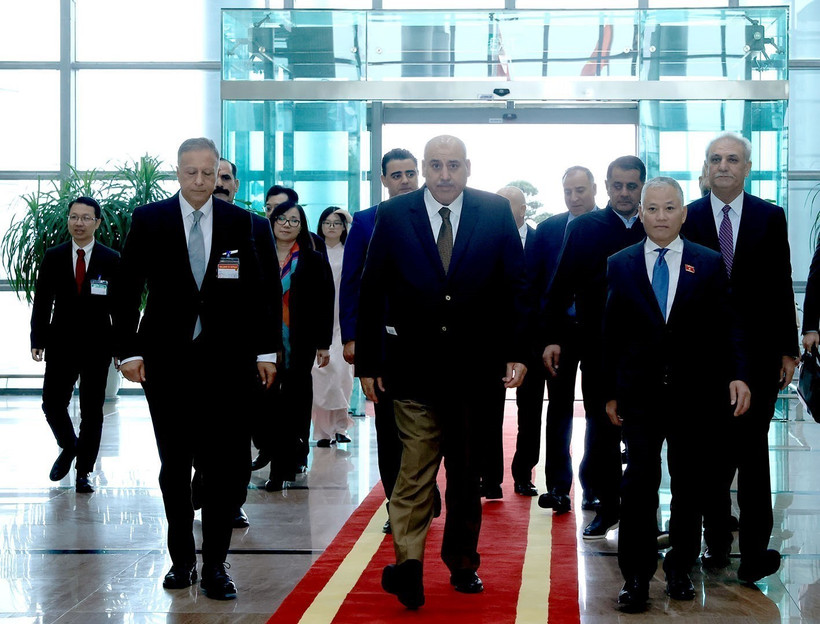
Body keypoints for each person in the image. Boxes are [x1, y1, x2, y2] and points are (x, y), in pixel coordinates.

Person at [356, 135, 528, 609]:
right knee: (413, 472)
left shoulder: (494, 211)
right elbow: (371, 293)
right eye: (436, 165)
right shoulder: (394, 216)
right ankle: (408, 565)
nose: (445, 174)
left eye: (454, 165)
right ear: (424, 169)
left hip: (477, 372)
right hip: (411, 370)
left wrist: (518, 351)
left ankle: (462, 563)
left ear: (468, 167)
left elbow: (517, 285)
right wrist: (369, 362)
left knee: (467, 475)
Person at [114, 138, 278, 600]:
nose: (201, 181)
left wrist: (267, 352)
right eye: (192, 173)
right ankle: (181, 559)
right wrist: (127, 351)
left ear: (221, 175)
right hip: (166, 364)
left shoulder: (246, 224)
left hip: (230, 364)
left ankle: (216, 566)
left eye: (210, 173)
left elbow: (264, 294)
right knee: (175, 466)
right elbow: (127, 290)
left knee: (225, 467)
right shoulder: (149, 221)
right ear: (178, 172)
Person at [604, 177, 750, 612]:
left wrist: (737, 375)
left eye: (670, 208)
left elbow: (727, 326)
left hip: (695, 395)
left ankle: (681, 569)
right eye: (653, 209)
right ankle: (635, 577)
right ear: (641, 214)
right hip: (641, 396)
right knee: (639, 486)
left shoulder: (706, 263)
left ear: (684, 214)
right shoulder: (620, 262)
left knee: (689, 485)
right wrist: (609, 393)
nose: (661, 217)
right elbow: (610, 334)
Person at [682, 131, 798, 583]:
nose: (724, 166)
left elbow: (781, 283)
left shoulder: (771, 217)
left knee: (752, 456)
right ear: (706, 168)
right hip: (703, 358)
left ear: (747, 167)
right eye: (716, 159)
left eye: (733, 159)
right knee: (710, 457)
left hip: (760, 354)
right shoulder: (685, 217)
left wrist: (788, 348)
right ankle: (714, 544)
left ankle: (753, 553)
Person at [541, 156, 646, 537]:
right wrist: (552, 336)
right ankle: (605, 503)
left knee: (638, 432)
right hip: (597, 344)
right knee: (602, 425)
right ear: (607, 186)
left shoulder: (654, 225)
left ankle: (637, 508)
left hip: (643, 348)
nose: (623, 193)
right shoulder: (586, 228)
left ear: (641, 188)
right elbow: (559, 284)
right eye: (617, 185)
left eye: (631, 186)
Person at [339, 147, 420, 534]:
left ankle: (421, 491)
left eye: (410, 173)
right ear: (384, 180)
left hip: (431, 346)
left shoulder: (436, 216)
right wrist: (352, 335)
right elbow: (352, 281)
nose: (405, 181)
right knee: (389, 431)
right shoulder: (367, 222)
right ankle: (396, 504)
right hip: (383, 345)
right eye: (397, 175)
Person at [512, 168, 598, 500]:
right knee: (558, 408)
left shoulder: (609, 228)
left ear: (594, 189)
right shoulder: (546, 231)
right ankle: (558, 486)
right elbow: (531, 287)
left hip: (597, 336)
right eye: (568, 192)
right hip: (554, 336)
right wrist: (542, 336)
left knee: (595, 412)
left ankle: (593, 486)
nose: (574, 198)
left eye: (580, 190)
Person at [208, 158, 281, 529]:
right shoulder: (181, 226)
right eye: (211, 176)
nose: (218, 183)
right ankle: (203, 478)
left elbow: (268, 290)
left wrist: (266, 350)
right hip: (192, 350)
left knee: (237, 435)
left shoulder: (254, 226)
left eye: (225, 178)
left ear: (236, 185)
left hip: (239, 351)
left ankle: (232, 500)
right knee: (196, 431)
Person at [30, 196, 120, 494]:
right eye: (73, 217)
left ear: (97, 222)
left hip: (98, 345)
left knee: (92, 410)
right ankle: (69, 447)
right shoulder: (54, 256)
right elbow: (42, 301)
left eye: (85, 218)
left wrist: (123, 347)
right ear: (68, 219)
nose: (78, 223)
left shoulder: (110, 259)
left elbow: (120, 308)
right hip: (61, 343)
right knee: (52, 403)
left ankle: (84, 472)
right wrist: (37, 338)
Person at [255, 200, 335, 492]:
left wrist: (323, 344)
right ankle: (273, 451)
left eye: (294, 220)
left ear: (302, 227)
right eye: (282, 219)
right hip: (263, 342)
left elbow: (326, 302)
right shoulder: (258, 255)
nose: (287, 225)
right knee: (264, 408)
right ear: (272, 221)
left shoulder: (312, 259)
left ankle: (282, 468)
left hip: (298, 343)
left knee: (291, 408)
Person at [486, 185, 534, 498]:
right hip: (491, 339)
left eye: (510, 204)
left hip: (530, 337)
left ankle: (523, 474)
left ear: (523, 209)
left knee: (529, 413)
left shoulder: (541, 238)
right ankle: (489, 478)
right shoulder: (484, 239)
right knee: (487, 412)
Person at [311, 206, 355, 447]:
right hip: (322, 318)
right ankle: (323, 432)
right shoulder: (313, 251)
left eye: (336, 223)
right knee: (322, 375)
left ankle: (341, 426)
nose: (331, 227)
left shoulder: (349, 251)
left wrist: (350, 218)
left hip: (344, 317)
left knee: (342, 374)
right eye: (326, 222)